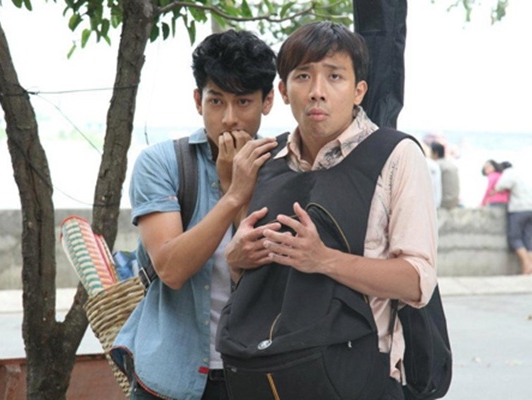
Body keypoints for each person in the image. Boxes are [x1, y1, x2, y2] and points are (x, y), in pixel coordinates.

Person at [217, 21, 437, 400]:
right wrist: (235, 260)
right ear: (284, 91)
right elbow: (254, 277)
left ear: (358, 91)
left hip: (358, 377)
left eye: (334, 76)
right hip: (269, 376)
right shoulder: (264, 159)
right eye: (303, 76)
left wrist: (323, 260)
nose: (317, 91)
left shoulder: (396, 155)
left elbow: (417, 281)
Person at [110, 30, 278, 400]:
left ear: (267, 101)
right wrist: (233, 194)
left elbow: (274, 276)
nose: (229, 118)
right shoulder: (163, 164)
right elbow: (171, 269)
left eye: (243, 102)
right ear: (198, 100)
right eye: (216, 101)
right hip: (171, 375)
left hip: (258, 372)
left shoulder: (283, 166)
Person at [493, 163, 532, 275]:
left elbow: (499, 186)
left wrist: (494, 191)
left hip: (519, 209)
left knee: (514, 238)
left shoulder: (509, 173)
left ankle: (527, 264)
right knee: (528, 239)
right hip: (530, 209)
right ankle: (528, 269)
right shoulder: (523, 173)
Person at [430, 141, 460, 209]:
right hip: (454, 202)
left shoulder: (435, 166)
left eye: (431, 153)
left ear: (435, 154)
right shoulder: (450, 164)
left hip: (443, 203)